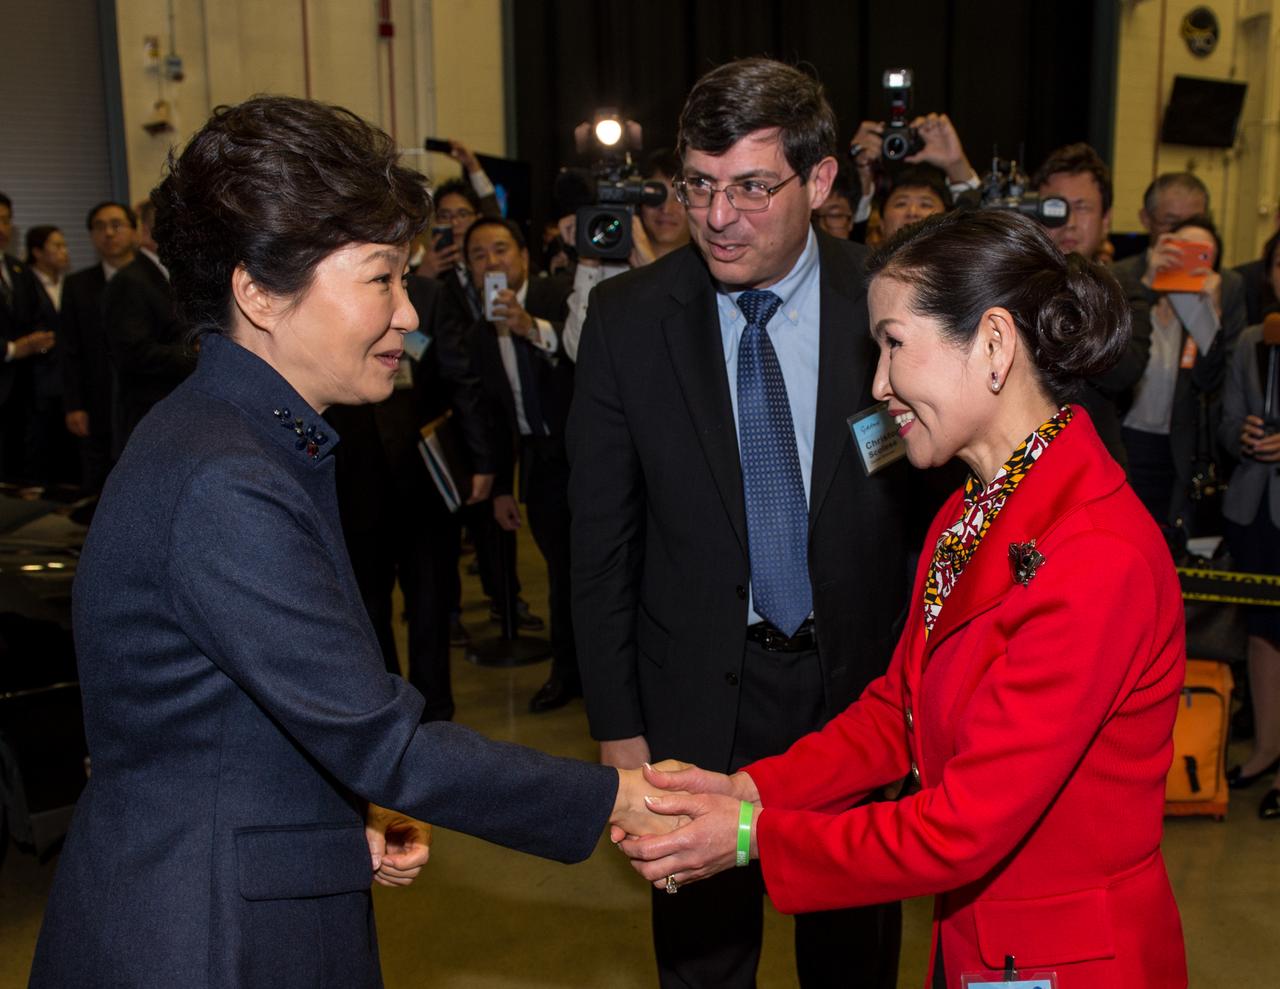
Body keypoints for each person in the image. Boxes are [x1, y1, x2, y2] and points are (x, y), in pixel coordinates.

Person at [28, 95, 670, 989]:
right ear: (257, 290)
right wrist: (620, 796)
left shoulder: (234, 432)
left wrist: (330, 819)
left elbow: (223, 716)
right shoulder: (226, 475)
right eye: (380, 280)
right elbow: (384, 740)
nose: (408, 315)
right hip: (208, 936)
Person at [621, 209, 1188, 989]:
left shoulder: (1097, 556)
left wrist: (754, 834)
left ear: (992, 344)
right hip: (981, 944)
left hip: (1066, 959)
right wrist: (750, 787)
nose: (878, 383)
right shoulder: (969, 509)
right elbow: (899, 711)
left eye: (892, 344)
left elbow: (963, 825)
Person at [569, 57, 917, 988]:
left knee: (852, 956)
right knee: (703, 964)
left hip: (854, 698)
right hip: (691, 705)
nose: (718, 218)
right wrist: (617, 725)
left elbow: (929, 508)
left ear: (821, 180)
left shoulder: (885, 300)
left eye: (754, 188)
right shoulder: (628, 319)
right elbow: (600, 541)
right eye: (700, 187)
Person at [325, 269, 495, 722]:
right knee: (367, 606)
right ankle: (386, 718)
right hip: (352, 476)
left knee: (431, 604)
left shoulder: (430, 295)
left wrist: (481, 462)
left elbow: (461, 379)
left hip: (425, 476)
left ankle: (436, 717)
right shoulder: (336, 287)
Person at [463, 217, 578, 712]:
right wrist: (503, 488)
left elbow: (588, 353)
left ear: (525, 256)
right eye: (479, 255)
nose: (492, 262)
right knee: (560, 576)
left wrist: (530, 327)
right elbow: (493, 413)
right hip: (540, 464)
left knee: (607, 573)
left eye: (501, 249)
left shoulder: (562, 295)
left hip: (591, 456)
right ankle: (568, 673)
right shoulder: (479, 331)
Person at [1118, 212, 1245, 529]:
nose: (1190, 259)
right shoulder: (1129, 287)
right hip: (1124, 438)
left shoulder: (1202, 311)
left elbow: (1209, 381)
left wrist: (1210, 315)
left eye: (1202, 255)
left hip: (1175, 449)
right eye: (1182, 249)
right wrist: (1148, 284)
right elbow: (1113, 357)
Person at [1032, 143, 1152, 466]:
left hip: (1093, 469)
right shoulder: (1013, 286)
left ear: (1107, 219)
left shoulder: (1126, 292)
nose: (1069, 221)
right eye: (1056, 207)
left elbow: (1124, 369)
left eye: (1082, 207)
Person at [1218, 227, 1280, 819]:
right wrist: (1239, 434)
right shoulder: (1253, 342)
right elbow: (1229, 418)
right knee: (1263, 633)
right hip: (1254, 506)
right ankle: (1265, 748)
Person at [560, 148, 691, 362]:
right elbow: (578, 351)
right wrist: (588, 260)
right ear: (639, 202)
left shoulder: (708, 272)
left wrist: (650, 272)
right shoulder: (613, 274)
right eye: (654, 197)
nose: (666, 209)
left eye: (678, 197)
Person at [103, 192, 196, 452]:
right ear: (146, 230)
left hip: (178, 408)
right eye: (172, 224)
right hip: (149, 411)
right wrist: (195, 354)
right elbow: (133, 353)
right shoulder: (130, 281)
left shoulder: (173, 275)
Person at [60, 201, 138, 491]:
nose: (108, 233)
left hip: (141, 399)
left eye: (116, 224)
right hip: (97, 400)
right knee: (99, 480)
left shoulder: (155, 280)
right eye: (100, 227)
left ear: (134, 230)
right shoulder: (78, 285)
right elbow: (70, 349)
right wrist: (74, 405)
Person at [0, 193, 55, 480]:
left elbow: (37, 315)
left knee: (21, 471)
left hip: (26, 390)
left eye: (6, 220)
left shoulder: (18, 269)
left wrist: (39, 341)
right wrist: (10, 349)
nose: (1, 228)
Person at [21, 224, 78, 483]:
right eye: (56, 246)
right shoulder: (25, 283)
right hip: (38, 379)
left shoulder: (69, 283)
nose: (64, 251)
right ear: (37, 252)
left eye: (64, 245)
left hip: (65, 376)